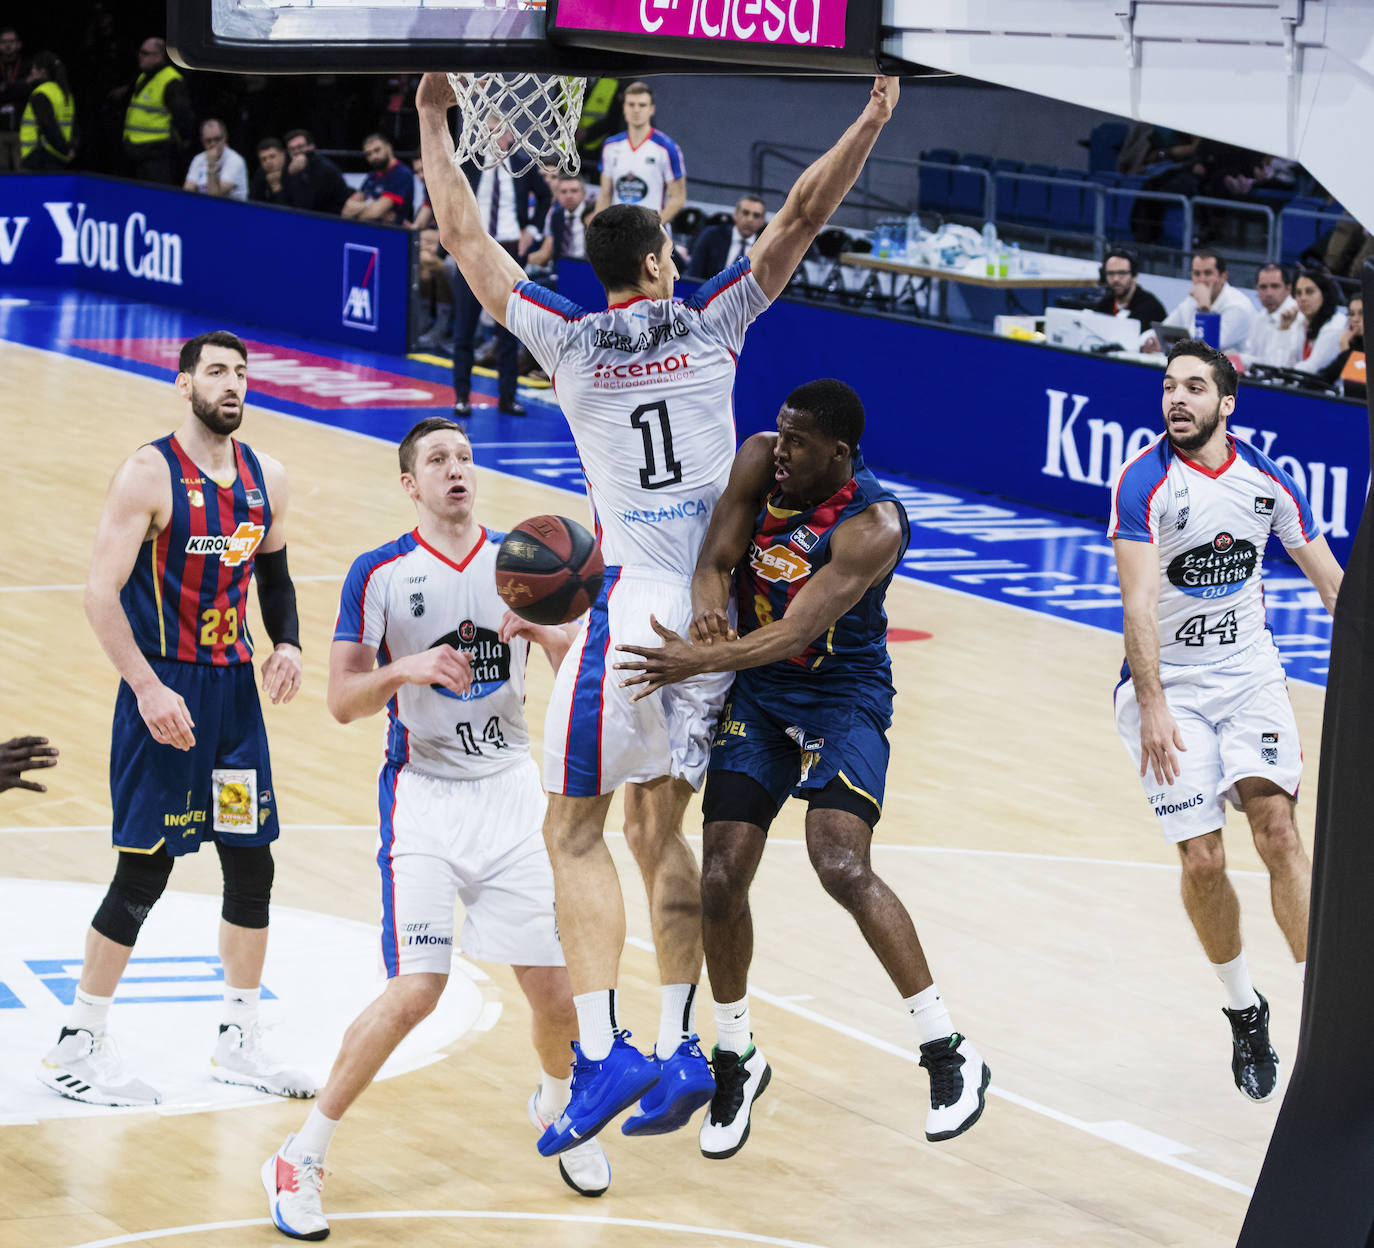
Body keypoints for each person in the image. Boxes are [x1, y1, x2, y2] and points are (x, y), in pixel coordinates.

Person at [416, 69, 900, 1156]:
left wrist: (433, 119)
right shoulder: (719, 320)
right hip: (718, 628)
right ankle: (688, 1045)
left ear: (604, 275)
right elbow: (805, 213)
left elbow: (462, 232)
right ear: (658, 262)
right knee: (655, 832)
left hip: (634, 619)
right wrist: (867, 122)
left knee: (570, 832)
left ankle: (603, 1052)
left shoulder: (570, 342)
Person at [615, 378, 991, 1155]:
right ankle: (736, 1055)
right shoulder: (758, 462)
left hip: (840, 698)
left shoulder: (874, 525)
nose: (778, 450)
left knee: (840, 863)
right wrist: (711, 600)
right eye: (780, 433)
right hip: (760, 694)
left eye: (797, 442)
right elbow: (716, 557)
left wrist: (695, 658)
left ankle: (948, 1049)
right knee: (720, 876)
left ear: (840, 454)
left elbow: (796, 631)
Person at [262, 418, 610, 1241]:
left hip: (511, 795)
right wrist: (405, 668)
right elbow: (343, 702)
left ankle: (557, 1105)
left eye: (464, 456)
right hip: (422, 797)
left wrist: (553, 634)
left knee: (554, 988)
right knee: (419, 988)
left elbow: (575, 675)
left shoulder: (522, 562)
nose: (456, 469)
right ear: (409, 484)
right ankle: (301, 1154)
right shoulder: (379, 573)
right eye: (436, 461)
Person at [36, 331, 313, 1108]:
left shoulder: (267, 478)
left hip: (232, 709)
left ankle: (239, 1038)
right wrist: (148, 688)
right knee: (145, 867)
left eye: (242, 375)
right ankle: (77, 1041)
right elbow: (99, 593)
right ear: (184, 382)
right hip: (166, 700)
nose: (232, 386)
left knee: (250, 860)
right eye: (217, 373)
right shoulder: (149, 472)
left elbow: (276, 574)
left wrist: (286, 642)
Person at [1108, 338, 1343, 1102]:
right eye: (1170, 386)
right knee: (1204, 862)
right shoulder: (1143, 480)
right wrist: (1150, 705)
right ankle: (1245, 1009)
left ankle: (1324, 1026)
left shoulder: (1266, 482)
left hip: (1249, 678)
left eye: (1195, 388)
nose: (1177, 399)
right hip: (1168, 687)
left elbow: (1332, 582)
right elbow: (1137, 603)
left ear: (1226, 404)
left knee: (1277, 829)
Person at [447, 133, 549, 417]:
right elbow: (447, 195)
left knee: (508, 329)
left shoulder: (522, 164)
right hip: (472, 246)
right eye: (490, 131)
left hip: (508, 248)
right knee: (464, 327)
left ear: (511, 136)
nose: (496, 138)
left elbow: (545, 196)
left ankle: (507, 398)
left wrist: (533, 229)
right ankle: (462, 397)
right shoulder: (468, 162)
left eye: (501, 131)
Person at [591, 82, 686, 231]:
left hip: (653, 233)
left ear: (651, 109)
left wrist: (652, 227)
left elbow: (678, 198)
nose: (636, 110)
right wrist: (597, 228)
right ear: (624, 108)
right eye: (631, 104)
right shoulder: (610, 146)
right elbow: (605, 194)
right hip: (618, 232)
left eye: (642, 105)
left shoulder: (667, 148)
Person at [1141, 250, 1254, 354]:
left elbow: (1205, 346)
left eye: (1208, 273)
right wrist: (1151, 340)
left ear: (1223, 277)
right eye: (1197, 273)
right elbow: (1164, 328)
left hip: (1231, 373)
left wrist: (1203, 306)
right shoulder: (1191, 301)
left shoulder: (1238, 306)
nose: (1201, 280)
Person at [120, 37, 194, 186]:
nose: (140, 56)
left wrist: (181, 143)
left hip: (157, 154)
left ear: (158, 57)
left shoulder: (171, 81)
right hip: (136, 152)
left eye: (145, 53)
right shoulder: (143, 77)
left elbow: (183, 118)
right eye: (140, 52)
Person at [686, 195, 768, 281]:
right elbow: (693, 275)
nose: (750, 219)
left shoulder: (767, 248)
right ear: (735, 214)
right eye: (745, 213)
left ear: (762, 221)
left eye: (756, 215)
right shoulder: (712, 236)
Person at [18, 52, 74, 171]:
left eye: (34, 67)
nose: (32, 71)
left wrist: (64, 149)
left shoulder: (41, 94)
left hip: (40, 156)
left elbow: (48, 126)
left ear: (42, 71)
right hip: (61, 157)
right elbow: (74, 127)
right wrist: (70, 149)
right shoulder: (65, 93)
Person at [342, 134, 414, 226]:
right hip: (367, 229)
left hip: (393, 233)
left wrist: (359, 211)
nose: (374, 156)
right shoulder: (372, 176)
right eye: (369, 154)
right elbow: (347, 209)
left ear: (389, 147)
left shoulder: (401, 174)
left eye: (377, 150)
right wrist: (370, 204)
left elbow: (375, 212)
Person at [525, 175, 595, 269]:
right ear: (557, 195)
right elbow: (546, 253)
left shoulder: (593, 214)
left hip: (588, 269)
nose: (569, 196)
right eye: (563, 192)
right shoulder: (555, 216)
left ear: (584, 193)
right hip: (560, 270)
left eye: (574, 191)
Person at [1288, 268, 1348, 375]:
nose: (1303, 298)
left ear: (1324, 294)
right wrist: (1283, 329)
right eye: (1298, 293)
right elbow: (1285, 360)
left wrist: (1284, 372)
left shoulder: (1336, 324)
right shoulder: (1299, 321)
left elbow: (1313, 368)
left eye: (1309, 292)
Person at [1090, 247, 1166, 327]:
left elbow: (1176, 339)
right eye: (1111, 273)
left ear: (1134, 277)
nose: (1116, 279)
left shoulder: (1151, 308)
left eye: (1122, 273)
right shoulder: (1104, 305)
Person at [1241, 263, 1299, 368]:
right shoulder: (1260, 317)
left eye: (1275, 286)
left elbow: (1278, 365)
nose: (1269, 293)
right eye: (1263, 287)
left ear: (1288, 289)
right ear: (1256, 290)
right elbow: (1249, 353)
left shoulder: (1297, 317)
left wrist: (1240, 358)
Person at [282, 129, 351, 215]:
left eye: (300, 147)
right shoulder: (288, 168)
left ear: (311, 147)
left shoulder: (325, 168)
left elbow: (308, 205)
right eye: (292, 149)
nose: (296, 152)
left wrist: (295, 175)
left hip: (333, 219)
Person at [184, 118, 249, 201]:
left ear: (225, 137)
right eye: (208, 141)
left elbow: (214, 197)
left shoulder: (235, 160)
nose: (213, 144)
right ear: (202, 141)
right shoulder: (198, 159)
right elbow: (187, 192)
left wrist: (211, 163)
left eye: (217, 139)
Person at [1317, 293, 1365, 401]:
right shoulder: (1352, 345)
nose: (1355, 319)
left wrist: (1345, 351)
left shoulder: (1348, 347)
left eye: (1362, 313)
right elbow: (1325, 377)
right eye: (1351, 314)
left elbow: (1359, 389)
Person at [0, 27, 31, 172]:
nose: (8, 45)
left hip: (22, 131)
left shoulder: (28, 66)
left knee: (23, 175)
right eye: (4, 42)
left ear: (19, 44)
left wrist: (5, 88)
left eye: (11, 41)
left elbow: (29, 91)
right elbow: (22, 89)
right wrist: (18, 87)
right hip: (0, 132)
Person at [249, 136, 289, 205]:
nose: (268, 162)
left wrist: (276, 186)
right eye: (263, 159)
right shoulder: (260, 174)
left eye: (272, 156)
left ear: (283, 155)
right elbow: (253, 202)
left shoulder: (293, 171)